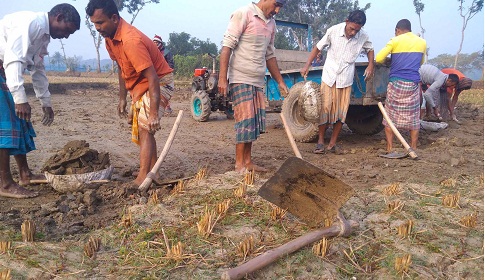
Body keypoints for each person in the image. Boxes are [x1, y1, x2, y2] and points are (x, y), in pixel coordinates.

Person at [86, 0, 174, 187]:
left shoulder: (131, 41)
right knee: (144, 128)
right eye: (94, 24)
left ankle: (144, 176)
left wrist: (153, 114)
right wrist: (122, 98)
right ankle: (152, 172)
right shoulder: (110, 37)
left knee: (146, 126)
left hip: (159, 81)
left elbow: (153, 78)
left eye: (100, 23)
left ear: (115, 18)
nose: (97, 28)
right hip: (139, 85)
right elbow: (121, 67)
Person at [0, 3, 80, 198]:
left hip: (5, 72)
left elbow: (37, 69)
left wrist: (46, 102)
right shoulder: (32, 24)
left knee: (19, 121)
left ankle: (25, 174)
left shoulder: (43, 36)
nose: (66, 36)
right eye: (67, 31)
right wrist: (20, 99)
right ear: (58, 17)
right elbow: (12, 59)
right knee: (6, 124)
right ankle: (4, 183)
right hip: (5, 68)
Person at [218, 0, 289, 173]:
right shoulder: (244, 13)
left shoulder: (271, 23)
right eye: (276, 5)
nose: (277, 11)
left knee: (253, 123)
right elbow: (227, 47)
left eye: (281, 7)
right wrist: (222, 78)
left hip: (257, 79)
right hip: (240, 77)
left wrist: (280, 81)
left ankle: (248, 161)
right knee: (245, 120)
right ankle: (239, 164)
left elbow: (270, 55)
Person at [300, 10, 374, 154]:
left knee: (341, 113)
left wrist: (371, 65)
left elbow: (370, 49)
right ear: (347, 21)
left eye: (356, 30)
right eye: (352, 28)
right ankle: (320, 142)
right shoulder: (333, 31)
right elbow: (318, 47)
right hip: (329, 76)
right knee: (325, 109)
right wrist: (307, 65)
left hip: (345, 79)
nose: (353, 33)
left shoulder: (363, 36)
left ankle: (332, 143)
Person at [375, 19, 426, 154]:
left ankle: (390, 147)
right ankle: (413, 146)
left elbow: (379, 58)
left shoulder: (395, 40)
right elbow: (421, 62)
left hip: (396, 83)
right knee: (414, 117)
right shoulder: (422, 42)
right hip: (413, 84)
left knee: (390, 116)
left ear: (397, 30)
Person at [153, 35, 174, 116]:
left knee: (165, 92)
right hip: (155, 75)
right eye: (154, 42)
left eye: (156, 42)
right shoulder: (153, 51)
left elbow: (171, 64)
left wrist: (166, 72)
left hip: (165, 75)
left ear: (160, 43)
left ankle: (167, 107)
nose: (155, 44)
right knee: (154, 91)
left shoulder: (166, 52)